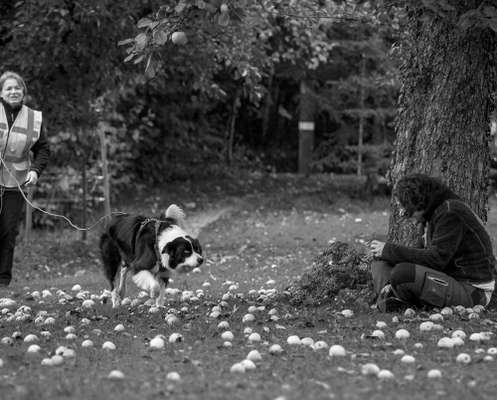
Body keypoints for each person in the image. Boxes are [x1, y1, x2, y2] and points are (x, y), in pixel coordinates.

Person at [370, 173, 496, 312]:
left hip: (471, 290)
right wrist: (387, 254)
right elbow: (419, 258)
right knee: (380, 261)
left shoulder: (450, 213)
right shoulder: (431, 216)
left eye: (405, 207)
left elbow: (435, 260)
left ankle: (391, 300)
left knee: (404, 273)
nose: (402, 213)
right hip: (447, 279)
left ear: (418, 203)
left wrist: (390, 250)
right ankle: (391, 298)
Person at [0, 71, 49, 287]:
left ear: (23, 92)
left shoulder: (34, 117)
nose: (13, 91)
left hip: (15, 182)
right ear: (1, 93)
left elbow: (44, 149)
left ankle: (2, 282)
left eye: (17, 88)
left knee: (8, 231)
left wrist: (35, 171)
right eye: (8, 88)